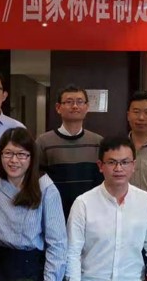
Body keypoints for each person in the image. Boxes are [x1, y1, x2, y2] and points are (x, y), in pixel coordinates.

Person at [66, 136, 147, 281]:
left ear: (133, 165)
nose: (119, 168)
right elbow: (72, 253)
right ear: (100, 166)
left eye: (125, 162)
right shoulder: (83, 203)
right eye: (112, 162)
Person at [0, 127, 67, 281]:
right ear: (0, 155)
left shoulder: (45, 188)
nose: (14, 160)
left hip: (34, 268)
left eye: (21, 154)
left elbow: (57, 243)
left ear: (31, 157)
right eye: (8, 153)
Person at [35, 84, 103, 219]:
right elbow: (36, 178)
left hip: (90, 213)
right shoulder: (43, 142)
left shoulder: (98, 142)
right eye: (69, 102)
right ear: (58, 108)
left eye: (80, 102)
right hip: (54, 212)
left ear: (87, 107)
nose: (75, 106)